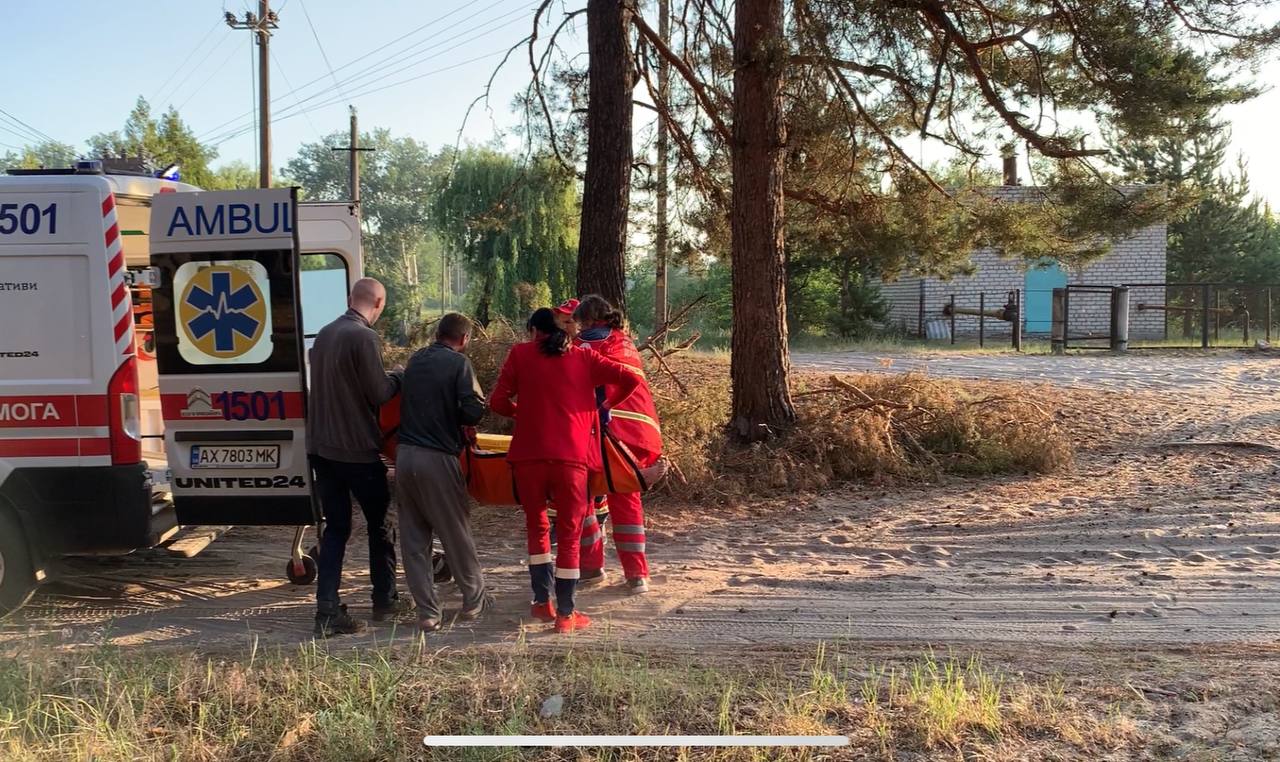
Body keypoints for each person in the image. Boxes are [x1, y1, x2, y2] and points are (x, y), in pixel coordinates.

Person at [489, 308, 640, 633]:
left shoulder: (520, 354)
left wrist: (524, 414)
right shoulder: (584, 359)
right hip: (572, 460)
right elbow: (631, 378)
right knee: (570, 537)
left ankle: (542, 603)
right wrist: (605, 406)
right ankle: (566, 615)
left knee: (537, 528)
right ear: (567, 332)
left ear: (533, 331)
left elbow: (497, 402)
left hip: (528, 458)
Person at [307, 277, 404, 637]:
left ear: (352, 299)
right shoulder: (364, 337)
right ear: (378, 303)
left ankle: (327, 610)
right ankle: (385, 599)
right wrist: (399, 377)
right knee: (381, 524)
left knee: (337, 528)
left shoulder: (325, 333)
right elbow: (379, 393)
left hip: (321, 448)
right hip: (355, 450)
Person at [395, 313, 493, 633]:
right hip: (437, 458)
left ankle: (427, 612)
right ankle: (473, 599)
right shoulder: (458, 364)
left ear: (437, 333)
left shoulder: (415, 360)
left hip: (404, 458)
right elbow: (473, 409)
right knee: (455, 531)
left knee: (413, 539)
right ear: (464, 340)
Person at [572, 295, 663, 594]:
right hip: (634, 435)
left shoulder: (583, 344)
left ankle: (590, 567)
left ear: (585, 320)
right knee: (627, 501)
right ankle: (637, 575)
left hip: (596, 434)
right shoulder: (624, 342)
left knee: (584, 499)